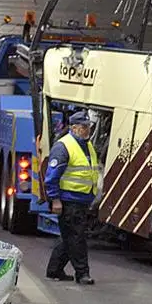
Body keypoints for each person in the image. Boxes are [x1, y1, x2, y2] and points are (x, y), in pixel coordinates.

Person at [44, 111, 100, 285]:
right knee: (77, 237)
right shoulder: (63, 146)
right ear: (74, 128)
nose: (87, 130)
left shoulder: (86, 145)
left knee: (69, 236)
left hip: (81, 200)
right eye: (83, 127)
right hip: (69, 200)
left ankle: (54, 270)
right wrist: (55, 200)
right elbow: (51, 176)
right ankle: (82, 273)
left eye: (88, 127)